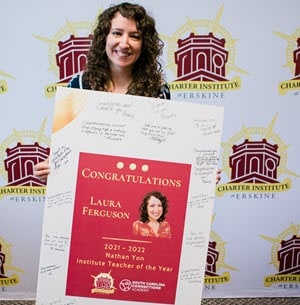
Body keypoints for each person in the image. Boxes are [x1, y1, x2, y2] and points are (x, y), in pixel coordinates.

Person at [33, 2, 221, 184]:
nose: (124, 43)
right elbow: (66, 150)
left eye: (135, 36)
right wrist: (49, 170)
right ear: (104, 38)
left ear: (144, 44)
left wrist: (200, 177)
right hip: (87, 196)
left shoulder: (158, 91)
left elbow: (164, 152)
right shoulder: (78, 85)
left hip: (133, 195)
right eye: (117, 33)